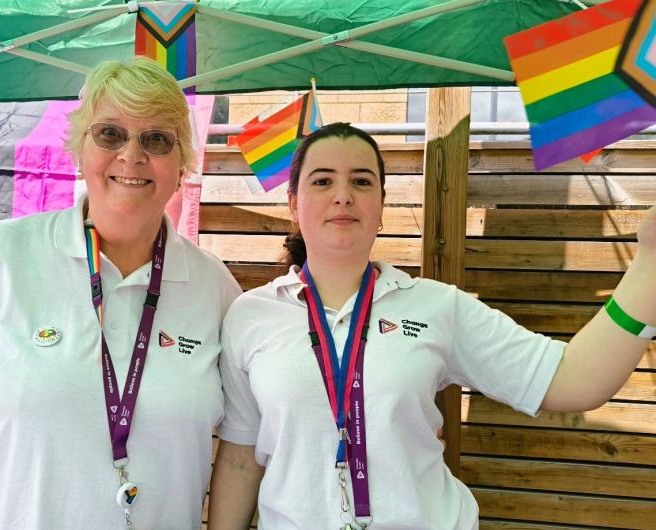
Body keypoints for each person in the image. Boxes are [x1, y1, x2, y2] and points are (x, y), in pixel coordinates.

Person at [208, 122, 656, 530]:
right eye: (322, 180)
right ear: (293, 205)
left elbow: (571, 380)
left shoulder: (435, 306)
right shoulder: (251, 316)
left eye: (361, 181)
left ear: (382, 205)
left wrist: (648, 269)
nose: (342, 195)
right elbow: (241, 460)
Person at [0, 58, 242, 530]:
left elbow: (244, 436)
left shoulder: (214, 287)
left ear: (183, 163)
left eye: (156, 138)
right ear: (79, 148)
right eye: (110, 134)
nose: (131, 155)